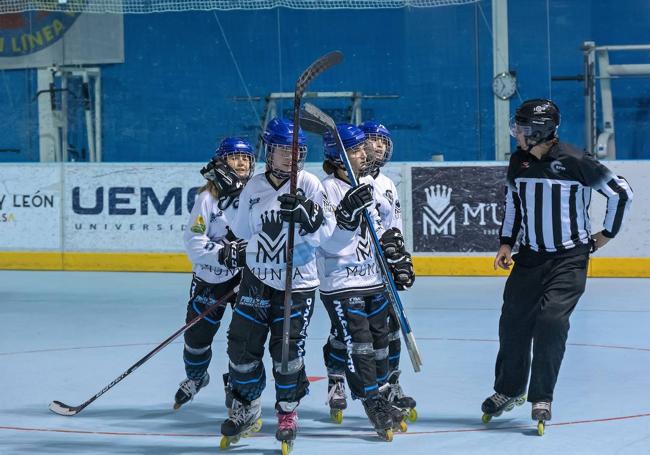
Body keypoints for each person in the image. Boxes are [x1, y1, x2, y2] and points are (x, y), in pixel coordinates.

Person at [481, 99, 633, 435]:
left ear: (540, 130)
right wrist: (506, 242)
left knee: (551, 321)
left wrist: (606, 234)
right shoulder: (518, 161)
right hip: (530, 257)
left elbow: (621, 193)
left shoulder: (575, 160)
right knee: (512, 322)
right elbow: (512, 204)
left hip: (569, 258)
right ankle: (509, 389)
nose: (516, 134)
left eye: (521, 128)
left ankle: (542, 397)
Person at [219, 118, 335, 451]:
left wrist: (310, 220)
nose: (291, 156)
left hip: (296, 285)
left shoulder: (311, 184)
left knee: (286, 352)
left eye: (297, 150)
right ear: (269, 151)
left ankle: (287, 411)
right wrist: (230, 213)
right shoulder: (254, 187)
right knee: (241, 348)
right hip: (257, 282)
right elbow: (242, 233)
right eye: (283, 150)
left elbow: (325, 233)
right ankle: (246, 406)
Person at [318, 123, 407, 441]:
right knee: (360, 344)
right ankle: (372, 402)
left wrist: (395, 252)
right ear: (338, 156)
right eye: (357, 150)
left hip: (372, 278)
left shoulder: (368, 182)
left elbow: (383, 226)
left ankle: (381, 393)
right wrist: (346, 217)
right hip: (341, 281)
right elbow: (328, 243)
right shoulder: (324, 188)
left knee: (381, 344)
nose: (366, 154)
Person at [174, 137, 255, 410]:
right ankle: (196, 377)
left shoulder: (256, 195)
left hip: (245, 280)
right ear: (222, 162)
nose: (242, 162)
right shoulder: (207, 198)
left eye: (246, 157)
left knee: (241, 339)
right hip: (210, 279)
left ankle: (236, 386)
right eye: (235, 157)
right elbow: (194, 241)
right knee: (196, 338)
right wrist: (222, 254)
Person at [359, 120, 417, 421]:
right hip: (356, 271)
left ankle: (390, 383)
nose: (379, 145)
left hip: (383, 270)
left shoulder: (389, 184)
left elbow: (394, 227)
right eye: (372, 139)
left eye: (383, 140)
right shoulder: (352, 179)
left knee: (391, 329)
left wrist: (400, 260)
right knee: (352, 335)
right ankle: (336, 382)